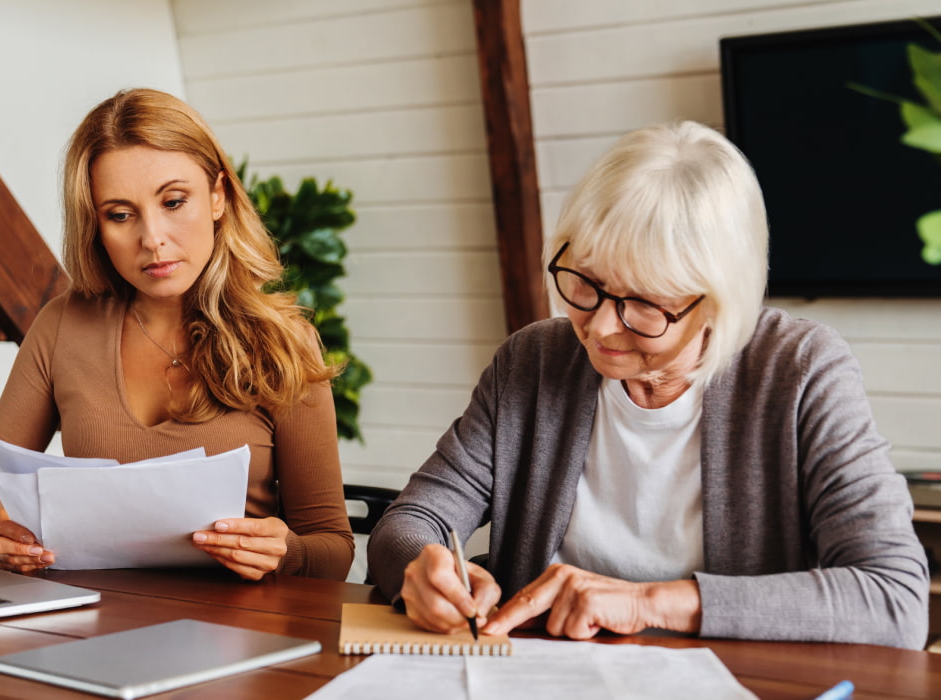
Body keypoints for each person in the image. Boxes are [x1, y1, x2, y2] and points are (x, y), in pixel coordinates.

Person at [367, 120, 929, 649]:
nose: (602, 327)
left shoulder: (802, 371)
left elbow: (893, 600)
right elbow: (412, 522)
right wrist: (423, 566)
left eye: (643, 304)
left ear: (716, 303)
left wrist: (650, 604)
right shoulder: (532, 362)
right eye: (585, 284)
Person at [0, 88, 354, 581]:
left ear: (218, 196)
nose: (152, 238)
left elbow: (333, 548)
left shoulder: (282, 342)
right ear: (95, 226)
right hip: (92, 623)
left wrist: (285, 552)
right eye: (120, 215)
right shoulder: (63, 325)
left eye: (174, 201)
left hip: (241, 632)